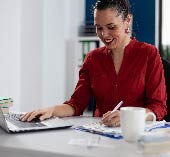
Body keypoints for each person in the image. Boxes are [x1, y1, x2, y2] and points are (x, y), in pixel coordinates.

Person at [21, 0, 167, 127]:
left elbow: (158, 107)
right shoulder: (93, 59)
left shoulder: (149, 54)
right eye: (99, 28)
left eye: (111, 27)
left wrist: (129, 117)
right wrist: (51, 110)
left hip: (136, 135)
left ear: (127, 20)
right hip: (100, 134)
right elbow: (76, 105)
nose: (104, 35)